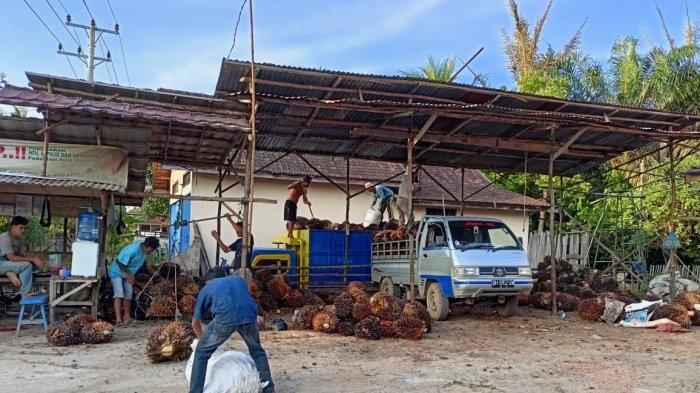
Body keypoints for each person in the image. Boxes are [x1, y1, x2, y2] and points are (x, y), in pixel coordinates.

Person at [190, 268, 274, 393]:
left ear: (209, 280)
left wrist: (203, 342)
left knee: (201, 353)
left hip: (225, 319)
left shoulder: (207, 287)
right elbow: (244, 302)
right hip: (249, 317)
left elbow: (195, 323)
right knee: (257, 351)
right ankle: (269, 390)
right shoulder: (239, 280)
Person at [107, 236, 159, 326]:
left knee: (128, 295)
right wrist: (129, 274)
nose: (150, 252)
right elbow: (119, 262)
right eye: (150, 250)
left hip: (127, 274)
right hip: (117, 272)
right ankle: (118, 321)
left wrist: (149, 268)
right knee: (119, 294)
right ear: (146, 246)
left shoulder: (144, 251)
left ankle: (127, 318)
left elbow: (142, 259)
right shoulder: (133, 250)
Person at [0, 216, 43, 298]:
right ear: (13, 227)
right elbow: (12, 258)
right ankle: (24, 293)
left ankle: (9, 273)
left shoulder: (17, 239)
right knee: (27, 266)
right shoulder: (5, 238)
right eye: (21, 228)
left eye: (25, 228)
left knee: (31, 265)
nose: (23, 230)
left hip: (7, 264)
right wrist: (32, 260)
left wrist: (35, 261)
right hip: (1, 263)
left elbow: (19, 256)